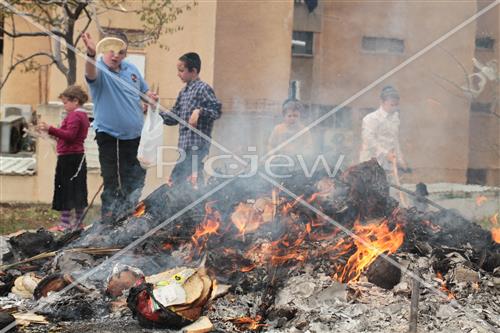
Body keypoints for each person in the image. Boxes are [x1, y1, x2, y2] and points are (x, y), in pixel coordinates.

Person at [82, 32, 158, 222]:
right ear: (104, 50)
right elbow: (90, 74)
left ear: (125, 54)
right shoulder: (99, 69)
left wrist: (151, 97)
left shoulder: (131, 69)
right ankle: (109, 223)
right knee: (114, 184)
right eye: (112, 51)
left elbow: (144, 91)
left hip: (136, 137)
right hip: (110, 137)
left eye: (121, 52)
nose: (116, 55)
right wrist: (91, 54)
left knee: (136, 181)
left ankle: (129, 220)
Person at [160, 52, 222, 187]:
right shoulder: (183, 93)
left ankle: (189, 203)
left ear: (193, 71)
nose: (178, 74)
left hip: (197, 146)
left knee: (177, 180)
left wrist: (199, 111)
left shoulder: (203, 88)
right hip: (184, 147)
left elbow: (216, 111)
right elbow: (172, 117)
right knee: (187, 182)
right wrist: (155, 112)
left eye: (181, 70)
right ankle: (196, 204)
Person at [37, 86, 90, 231]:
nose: (65, 106)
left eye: (66, 102)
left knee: (65, 188)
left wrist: (51, 129)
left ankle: (65, 223)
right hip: (77, 156)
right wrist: (52, 134)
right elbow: (68, 135)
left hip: (69, 158)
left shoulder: (75, 116)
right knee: (78, 189)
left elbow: (70, 136)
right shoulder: (82, 116)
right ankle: (78, 222)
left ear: (76, 101)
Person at [359, 86, 410, 177]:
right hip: (371, 163)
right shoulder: (371, 119)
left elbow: (395, 140)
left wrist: (400, 160)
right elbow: (369, 140)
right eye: (392, 105)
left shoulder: (395, 117)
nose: (394, 108)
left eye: (396, 105)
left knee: (389, 188)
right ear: (382, 102)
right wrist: (386, 154)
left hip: (388, 165)